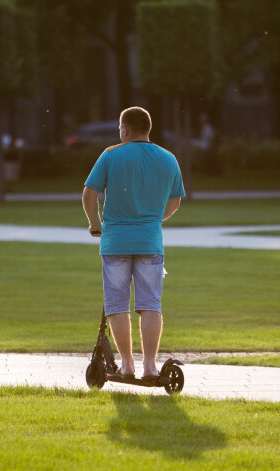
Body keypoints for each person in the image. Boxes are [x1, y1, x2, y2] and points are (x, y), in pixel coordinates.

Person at [82, 106, 185, 380]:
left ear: (124, 129)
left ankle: (127, 365)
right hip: (150, 241)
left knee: (117, 305)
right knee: (150, 304)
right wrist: (152, 220)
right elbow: (174, 203)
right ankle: (150, 366)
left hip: (115, 241)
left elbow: (88, 195)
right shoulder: (168, 158)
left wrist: (95, 224)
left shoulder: (111, 155)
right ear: (148, 128)